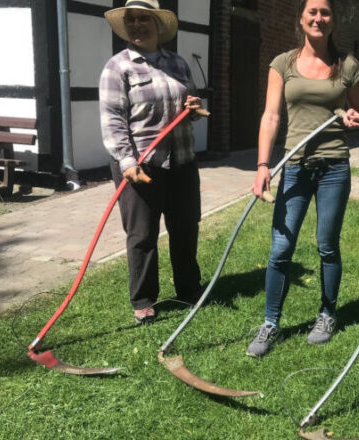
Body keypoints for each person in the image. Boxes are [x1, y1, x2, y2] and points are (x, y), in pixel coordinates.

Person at [247, 0, 359, 358]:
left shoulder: (348, 65)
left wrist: (352, 119)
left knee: (327, 245)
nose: (318, 18)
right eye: (312, 11)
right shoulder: (282, 63)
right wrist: (263, 165)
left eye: (325, 12)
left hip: (333, 167)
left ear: (333, 20)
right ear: (301, 18)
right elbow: (270, 116)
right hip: (295, 166)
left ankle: (327, 314)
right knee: (282, 248)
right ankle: (270, 323)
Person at [99, 0, 204, 324]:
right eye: (131, 20)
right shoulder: (117, 68)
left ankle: (189, 288)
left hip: (182, 159)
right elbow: (113, 120)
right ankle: (144, 299)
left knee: (185, 228)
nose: (137, 26)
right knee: (142, 234)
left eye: (144, 19)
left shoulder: (178, 63)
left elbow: (190, 104)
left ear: (158, 26)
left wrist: (193, 105)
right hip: (140, 165)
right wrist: (129, 163)